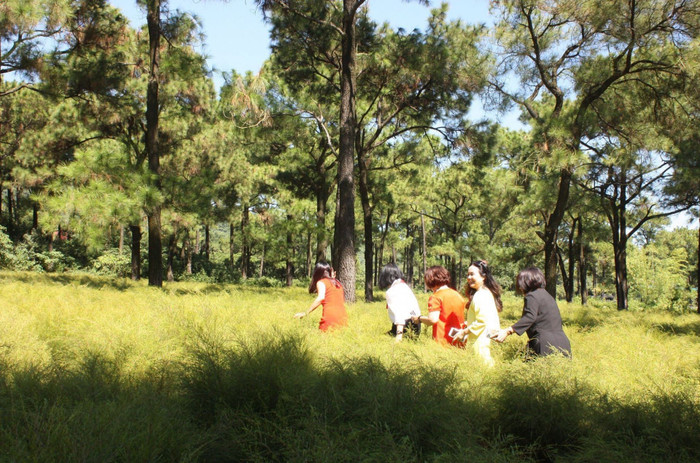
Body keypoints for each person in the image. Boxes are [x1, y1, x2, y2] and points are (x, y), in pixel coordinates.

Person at [493, 267, 571, 357]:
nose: (520, 287)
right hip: (563, 343)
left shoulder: (532, 296)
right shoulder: (547, 295)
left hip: (545, 344)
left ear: (526, 282)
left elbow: (529, 317)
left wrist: (508, 331)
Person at [453, 260, 502, 367]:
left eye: (472, 274)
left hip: (481, 342)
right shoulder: (485, 292)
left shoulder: (481, 295)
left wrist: (464, 332)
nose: (469, 278)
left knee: (483, 371)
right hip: (484, 339)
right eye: (467, 275)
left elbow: (481, 321)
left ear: (483, 276)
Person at [412, 265, 465, 346]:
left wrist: (419, 318)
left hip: (442, 342)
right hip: (459, 341)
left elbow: (432, 320)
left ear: (431, 280)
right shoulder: (458, 295)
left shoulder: (436, 297)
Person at [294, 262, 348, 332]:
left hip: (330, 317)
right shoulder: (337, 283)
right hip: (343, 317)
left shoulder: (321, 282)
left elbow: (320, 298)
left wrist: (305, 313)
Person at [378, 263, 421, 342]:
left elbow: (399, 315)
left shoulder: (392, 291)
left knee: (380, 340)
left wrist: (399, 335)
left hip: (405, 326)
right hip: (416, 326)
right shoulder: (404, 286)